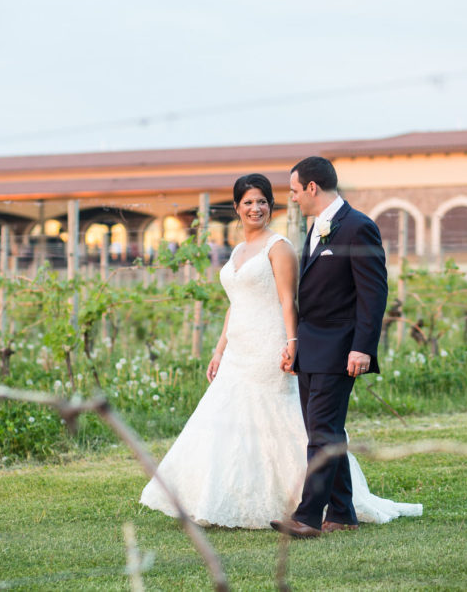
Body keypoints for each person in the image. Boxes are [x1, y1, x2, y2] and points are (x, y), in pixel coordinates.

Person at [140, 172, 421, 529]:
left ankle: (312, 511)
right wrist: (219, 348)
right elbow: (236, 302)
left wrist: (292, 343)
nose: (256, 208)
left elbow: (289, 301)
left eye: (263, 201)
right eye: (248, 202)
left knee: (302, 424)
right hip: (240, 346)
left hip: (273, 343)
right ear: (237, 208)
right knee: (258, 422)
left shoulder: (281, 245)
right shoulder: (239, 250)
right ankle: (333, 510)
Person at [269, 156, 410, 538]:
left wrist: (363, 347)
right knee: (325, 430)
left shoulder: (358, 227)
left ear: (312, 187)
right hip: (311, 348)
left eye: (296, 190)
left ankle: (308, 516)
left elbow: (373, 292)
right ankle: (343, 512)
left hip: (340, 348)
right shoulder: (315, 227)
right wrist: (295, 342)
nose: (293, 198)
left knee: (322, 433)